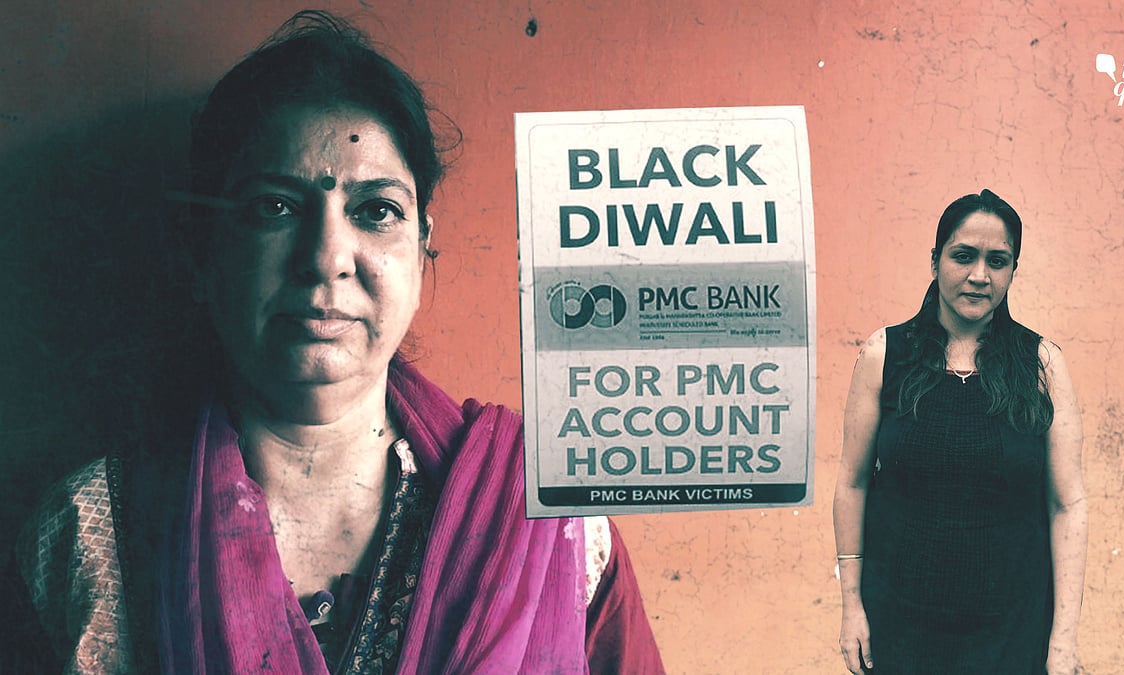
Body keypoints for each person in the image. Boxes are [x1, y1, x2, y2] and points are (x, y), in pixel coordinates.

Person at [4, 11, 664, 674]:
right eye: (275, 207)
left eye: (376, 211)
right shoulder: (86, 538)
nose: (326, 258)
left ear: (421, 249)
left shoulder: (547, 517)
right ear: (202, 253)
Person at [832, 190, 1087, 674]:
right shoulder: (885, 355)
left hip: (1014, 633)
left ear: (1013, 271)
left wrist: (1064, 640)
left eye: (998, 261)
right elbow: (852, 483)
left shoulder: (1042, 365)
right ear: (935, 261)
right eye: (963, 256)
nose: (979, 275)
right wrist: (852, 607)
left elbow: (1067, 504)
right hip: (900, 628)